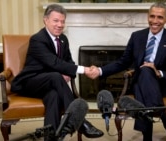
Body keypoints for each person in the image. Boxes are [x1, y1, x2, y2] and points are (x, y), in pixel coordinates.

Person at [86, 2, 166, 141]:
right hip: (142, 81)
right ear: (148, 16)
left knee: (145, 74)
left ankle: (148, 136)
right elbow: (123, 62)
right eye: (152, 16)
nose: (155, 21)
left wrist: (158, 72)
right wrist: (100, 70)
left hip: (164, 85)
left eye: (160, 17)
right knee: (144, 73)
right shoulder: (137, 36)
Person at [10, 4, 103, 141]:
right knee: (55, 76)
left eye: (63, 21)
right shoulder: (38, 39)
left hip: (50, 85)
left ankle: (51, 138)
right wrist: (85, 70)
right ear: (45, 20)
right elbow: (54, 63)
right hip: (30, 83)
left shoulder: (63, 39)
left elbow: (69, 62)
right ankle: (81, 122)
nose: (60, 25)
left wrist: (67, 73)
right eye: (56, 20)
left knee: (53, 96)